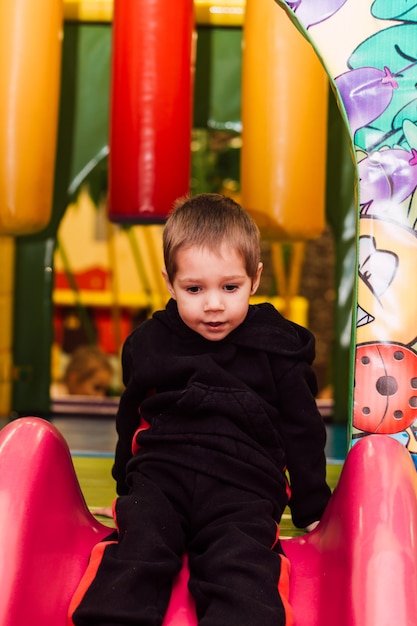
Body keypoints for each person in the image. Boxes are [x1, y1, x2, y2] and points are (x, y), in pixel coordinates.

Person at [69, 193, 331, 626]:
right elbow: (130, 414)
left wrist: (311, 505)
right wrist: (124, 482)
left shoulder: (277, 349)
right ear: (170, 284)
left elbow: (301, 428)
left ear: (255, 279)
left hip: (242, 483)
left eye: (230, 287)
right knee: (139, 550)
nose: (213, 304)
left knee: (241, 563)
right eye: (194, 289)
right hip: (162, 476)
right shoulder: (151, 343)